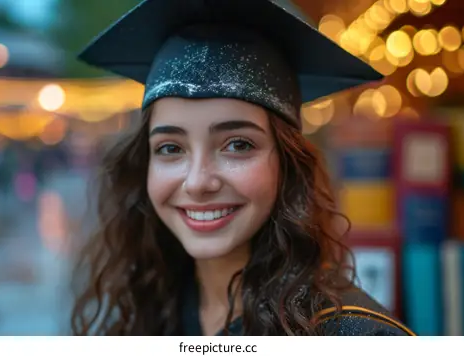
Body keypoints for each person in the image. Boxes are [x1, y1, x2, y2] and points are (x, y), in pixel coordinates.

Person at [71, 0, 415, 336]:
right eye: (170, 148)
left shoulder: (352, 334)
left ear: (287, 162)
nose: (197, 182)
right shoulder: (144, 310)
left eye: (238, 144)